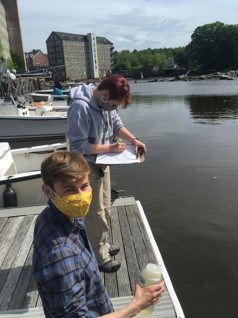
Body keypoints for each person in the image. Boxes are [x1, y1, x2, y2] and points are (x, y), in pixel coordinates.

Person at [32, 150, 165, 317]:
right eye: (69, 190)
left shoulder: (53, 216)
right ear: (48, 191)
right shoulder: (60, 255)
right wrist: (137, 305)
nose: (80, 196)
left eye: (84, 186)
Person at [67, 75, 147, 272]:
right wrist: (108, 148)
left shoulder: (106, 105)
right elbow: (77, 146)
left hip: (103, 162)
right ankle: (99, 256)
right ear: (104, 95)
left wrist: (134, 139)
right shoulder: (80, 107)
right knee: (94, 213)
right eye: (113, 105)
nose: (114, 109)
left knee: (105, 207)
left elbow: (117, 124)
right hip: (87, 166)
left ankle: (101, 243)